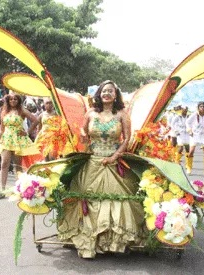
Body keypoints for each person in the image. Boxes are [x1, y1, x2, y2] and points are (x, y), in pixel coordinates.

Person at [57, 80, 146, 258]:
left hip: (114, 163)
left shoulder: (122, 114)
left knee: (119, 200)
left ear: (115, 95)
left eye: (110, 91)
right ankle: (89, 240)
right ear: (99, 94)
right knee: (84, 198)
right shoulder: (90, 113)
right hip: (92, 162)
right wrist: (81, 134)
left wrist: (114, 156)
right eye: (104, 91)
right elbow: (83, 135)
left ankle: (115, 242)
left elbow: (127, 139)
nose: (107, 94)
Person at [0, 93, 40, 200]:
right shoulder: (4, 111)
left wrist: (27, 132)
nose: (13, 101)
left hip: (18, 140)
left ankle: (19, 189)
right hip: (6, 140)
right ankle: (2, 189)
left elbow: (36, 120)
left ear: (18, 101)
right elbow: (2, 129)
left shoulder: (22, 110)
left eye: (15, 99)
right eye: (11, 99)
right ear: (8, 101)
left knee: (17, 165)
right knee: (4, 164)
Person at [185, 101, 204, 177]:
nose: (202, 108)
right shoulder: (194, 115)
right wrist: (189, 130)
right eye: (201, 106)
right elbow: (187, 122)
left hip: (203, 135)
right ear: (198, 108)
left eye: (203, 106)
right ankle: (189, 168)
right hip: (194, 135)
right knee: (191, 152)